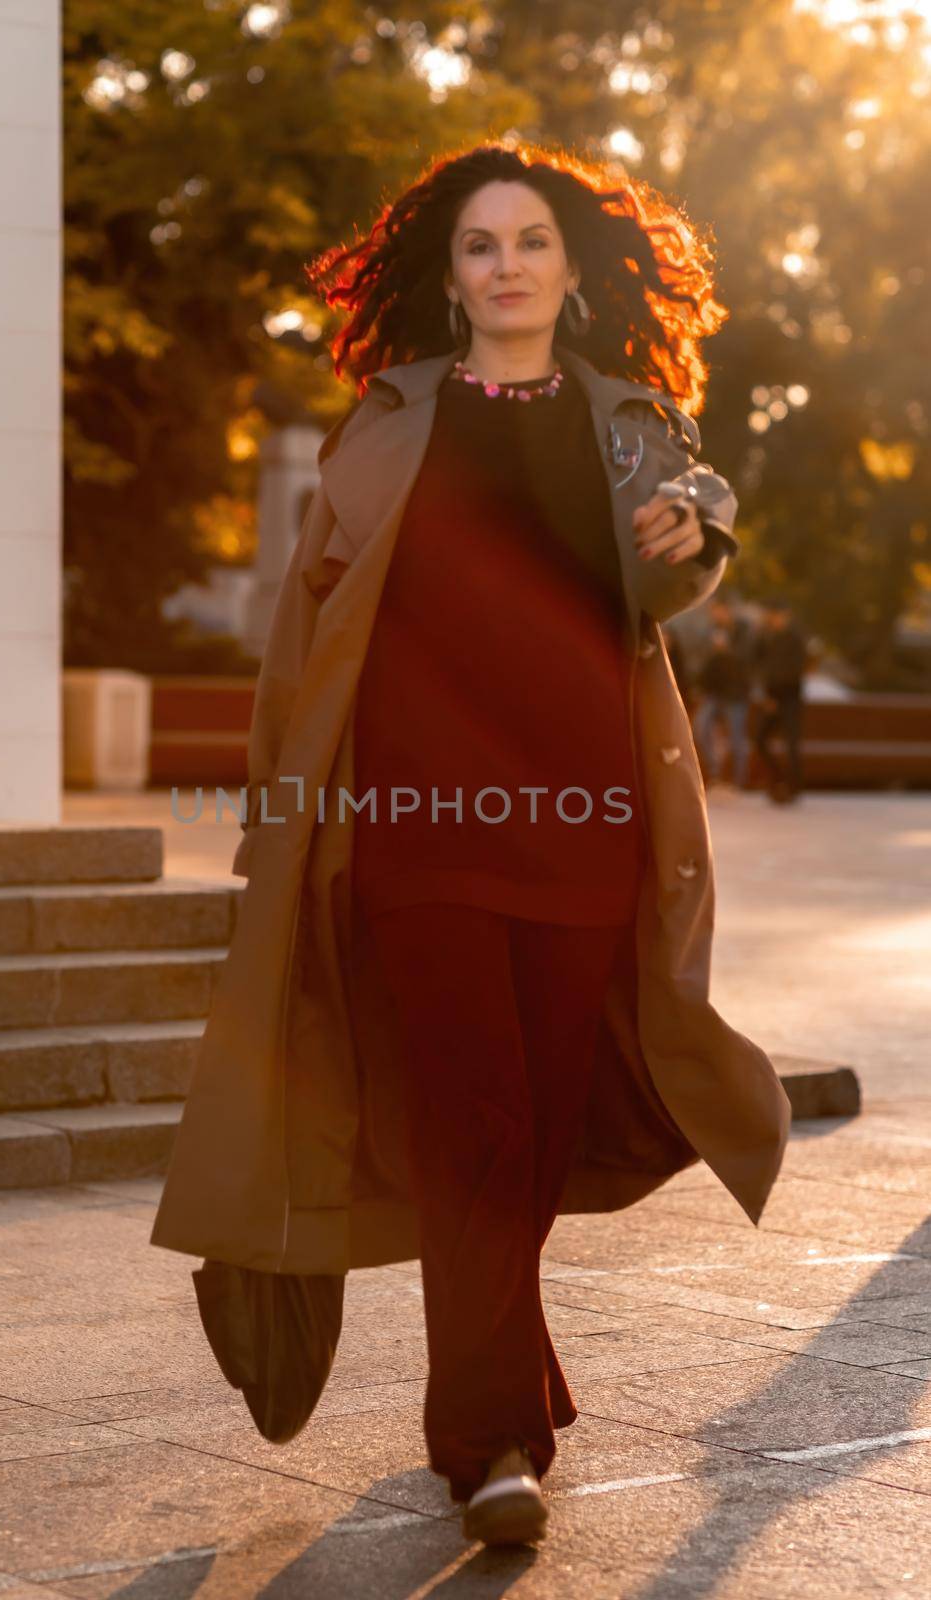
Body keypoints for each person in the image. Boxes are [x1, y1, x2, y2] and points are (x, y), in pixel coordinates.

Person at [149, 143, 791, 1554]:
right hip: (413, 831)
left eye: (531, 241)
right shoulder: (382, 426)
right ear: (447, 280)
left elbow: (681, 553)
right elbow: (300, 642)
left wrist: (695, 530)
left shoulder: (629, 423)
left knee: (538, 1125)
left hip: (585, 826)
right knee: (474, 1122)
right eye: (479, 246)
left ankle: (514, 1379)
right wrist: (274, 824)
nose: (505, 265)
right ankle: (486, 1443)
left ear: (574, 271)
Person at [693, 598, 754, 789]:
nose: (716, 616)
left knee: (736, 737)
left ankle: (738, 780)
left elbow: (746, 661)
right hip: (715, 692)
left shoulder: (742, 631)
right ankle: (715, 772)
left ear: (727, 611)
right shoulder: (711, 631)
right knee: (700, 728)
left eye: (719, 611)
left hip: (736, 694)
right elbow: (706, 663)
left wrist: (726, 650)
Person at [752, 597, 808, 803]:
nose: (774, 620)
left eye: (777, 616)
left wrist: (775, 695)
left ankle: (793, 788)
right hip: (772, 698)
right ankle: (777, 779)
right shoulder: (767, 637)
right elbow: (757, 663)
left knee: (792, 744)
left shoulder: (795, 639)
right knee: (760, 739)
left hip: (789, 698)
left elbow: (794, 671)